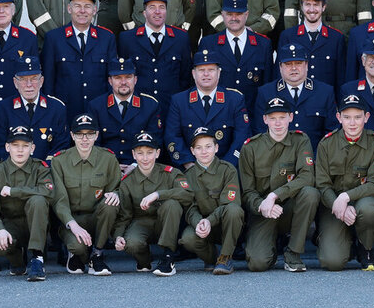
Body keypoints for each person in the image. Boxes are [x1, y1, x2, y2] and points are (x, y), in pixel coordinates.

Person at [239, 96, 320, 272]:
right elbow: (248, 192)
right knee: (257, 263)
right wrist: (262, 205)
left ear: (291, 117)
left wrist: (274, 196)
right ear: (265, 119)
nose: (278, 123)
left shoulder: (301, 140)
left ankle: (293, 252)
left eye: (282, 117)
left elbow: (307, 177)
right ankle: (273, 244)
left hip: (290, 208)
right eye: (273, 118)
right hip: (263, 213)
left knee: (310, 193)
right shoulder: (250, 148)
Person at [314, 93, 374, 271]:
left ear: (366, 117)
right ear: (339, 117)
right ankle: (336, 239)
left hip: (363, 201)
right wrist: (339, 205)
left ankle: (365, 247)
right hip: (334, 205)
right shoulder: (326, 144)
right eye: (347, 117)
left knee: (370, 210)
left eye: (357, 117)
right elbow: (322, 185)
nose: (352, 123)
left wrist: (347, 196)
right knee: (332, 262)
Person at [50, 113, 122, 277]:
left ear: (96, 135)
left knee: (110, 203)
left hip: (98, 218)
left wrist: (117, 194)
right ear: (72, 135)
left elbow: (116, 187)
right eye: (79, 134)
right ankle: (77, 253)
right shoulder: (59, 161)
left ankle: (97, 254)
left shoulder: (108, 158)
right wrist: (73, 225)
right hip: (72, 219)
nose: (84, 139)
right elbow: (59, 200)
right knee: (78, 246)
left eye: (89, 134)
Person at [113, 130, 193, 275]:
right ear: (133, 155)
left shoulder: (171, 173)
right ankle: (144, 260)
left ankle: (168, 258)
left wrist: (158, 195)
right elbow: (124, 214)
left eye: (149, 152)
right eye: (140, 153)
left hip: (166, 222)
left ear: (157, 153)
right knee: (131, 244)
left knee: (172, 204)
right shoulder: (127, 181)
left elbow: (187, 194)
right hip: (142, 222)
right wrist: (118, 236)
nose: (145, 158)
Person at [0, 124, 54, 281]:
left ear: (32, 148)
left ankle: (37, 258)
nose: (20, 150)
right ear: (7, 147)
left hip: (35, 226)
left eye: (25, 146)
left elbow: (48, 191)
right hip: (11, 225)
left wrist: (14, 191)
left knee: (38, 200)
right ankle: (17, 259)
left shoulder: (40, 168)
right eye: (15, 145)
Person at [42, 0, 117, 123]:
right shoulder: (54, 38)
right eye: (77, 6)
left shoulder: (107, 38)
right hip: (64, 114)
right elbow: (48, 82)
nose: (82, 11)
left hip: (98, 114)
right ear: (69, 9)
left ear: (95, 10)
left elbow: (111, 80)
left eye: (88, 6)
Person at [163, 48, 250, 168]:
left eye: (211, 70)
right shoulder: (179, 101)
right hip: (190, 170)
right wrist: (189, 164)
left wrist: (225, 167)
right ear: (194, 74)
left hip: (227, 169)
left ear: (219, 73)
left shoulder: (234, 99)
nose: (206, 74)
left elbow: (242, 137)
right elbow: (172, 137)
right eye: (201, 70)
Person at [179, 127, 246, 274]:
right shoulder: (187, 176)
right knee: (187, 239)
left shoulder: (228, 170)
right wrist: (199, 223)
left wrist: (210, 220)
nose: (204, 151)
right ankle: (212, 258)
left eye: (208, 146)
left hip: (226, 224)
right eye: (199, 148)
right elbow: (190, 207)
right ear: (192, 151)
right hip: (204, 226)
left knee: (234, 210)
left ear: (216, 148)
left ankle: (225, 257)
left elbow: (231, 203)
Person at [117, 0, 194, 110]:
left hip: (172, 108)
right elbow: (123, 76)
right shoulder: (127, 39)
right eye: (152, 7)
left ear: (166, 11)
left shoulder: (181, 38)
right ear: (144, 13)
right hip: (139, 108)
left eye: (162, 7)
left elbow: (185, 77)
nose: (157, 12)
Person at [0, 56, 69, 163]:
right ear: (15, 83)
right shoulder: (2, 110)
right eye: (23, 79)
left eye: (34, 78)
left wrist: (43, 169)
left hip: (47, 173)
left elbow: (61, 147)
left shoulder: (57, 108)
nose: (29, 84)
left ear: (42, 81)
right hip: (13, 174)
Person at [257, 41, 336, 150]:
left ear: (307, 65)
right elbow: (260, 133)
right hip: (276, 159)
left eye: (298, 63)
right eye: (288, 64)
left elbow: (331, 134)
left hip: (315, 159)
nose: (294, 68)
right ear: (280, 67)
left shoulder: (324, 92)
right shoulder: (266, 93)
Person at [201, 0, 272, 112]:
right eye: (229, 14)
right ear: (222, 15)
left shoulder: (263, 44)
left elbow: (267, 85)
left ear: (247, 15)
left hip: (252, 113)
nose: (234, 18)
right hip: (218, 114)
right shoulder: (209, 44)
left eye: (238, 14)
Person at [89, 57, 163, 168]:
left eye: (128, 77)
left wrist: (135, 166)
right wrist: (112, 166)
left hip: (140, 167)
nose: (123, 82)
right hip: (105, 168)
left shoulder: (150, 105)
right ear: (110, 81)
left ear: (135, 79)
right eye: (118, 77)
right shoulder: (96, 106)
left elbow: (155, 142)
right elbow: (93, 144)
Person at [275, 0, 346, 89]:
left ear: (324, 7)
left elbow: (341, 78)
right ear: (302, 7)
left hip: (325, 103)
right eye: (308, 4)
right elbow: (278, 75)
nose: (312, 9)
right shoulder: (288, 36)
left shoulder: (336, 38)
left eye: (316, 4)